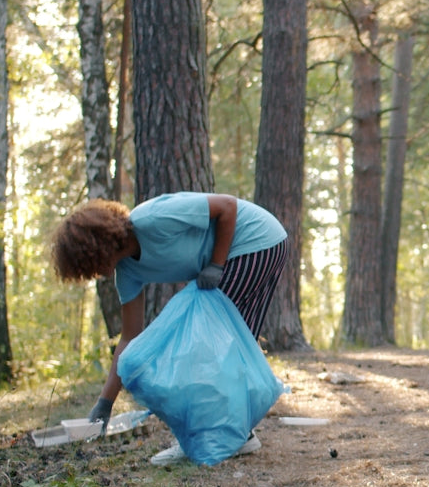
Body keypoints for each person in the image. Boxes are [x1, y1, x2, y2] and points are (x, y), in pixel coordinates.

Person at [50, 193, 289, 466]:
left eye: (89, 265)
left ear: (98, 246)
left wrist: (215, 264)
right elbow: (130, 338)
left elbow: (227, 207)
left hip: (254, 241)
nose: (95, 274)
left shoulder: (152, 219)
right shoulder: (127, 272)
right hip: (258, 248)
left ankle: (215, 436)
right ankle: (236, 433)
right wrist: (105, 404)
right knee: (232, 345)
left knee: (203, 346)